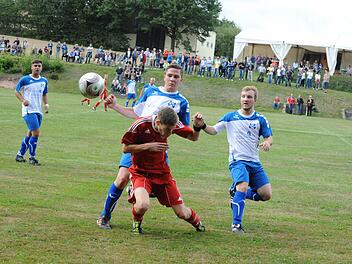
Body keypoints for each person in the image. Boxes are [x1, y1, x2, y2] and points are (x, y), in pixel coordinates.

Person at [97, 63, 192, 229]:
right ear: (164, 76)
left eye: (176, 76)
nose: (172, 79)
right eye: (169, 75)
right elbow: (136, 112)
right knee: (121, 179)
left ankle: (136, 190)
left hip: (158, 150)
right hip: (138, 144)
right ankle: (105, 216)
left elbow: (184, 129)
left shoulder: (182, 102)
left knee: (158, 187)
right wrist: (114, 106)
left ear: (181, 79)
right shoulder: (150, 91)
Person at [193, 86, 272, 234]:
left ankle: (234, 193)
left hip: (254, 162)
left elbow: (269, 136)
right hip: (237, 161)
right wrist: (202, 125)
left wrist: (267, 142)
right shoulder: (230, 117)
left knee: (266, 194)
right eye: (243, 96)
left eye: (249, 97)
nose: (245, 99)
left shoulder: (260, 119)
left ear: (255, 100)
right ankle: (236, 225)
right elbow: (213, 130)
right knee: (242, 186)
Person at [122, 107, 205, 233]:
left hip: (162, 174)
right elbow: (125, 148)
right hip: (141, 173)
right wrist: (148, 146)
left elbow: (193, 137)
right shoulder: (140, 124)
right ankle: (137, 221)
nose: (170, 133)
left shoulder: (173, 124)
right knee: (143, 205)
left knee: (182, 213)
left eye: (172, 130)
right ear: (158, 123)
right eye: (167, 130)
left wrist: (197, 127)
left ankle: (198, 223)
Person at [15, 59, 49, 166]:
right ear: (31, 67)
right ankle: (32, 157)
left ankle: (19, 155)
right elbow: (16, 91)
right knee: (36, 133)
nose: (37, 67)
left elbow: (44, 94)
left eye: (39, 66)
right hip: (28, 111)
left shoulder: (44, 80)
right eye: (35, 66)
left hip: (38, 111)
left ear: (41, 67)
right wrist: (23, 100)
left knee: (30, 133)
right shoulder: (25, 79)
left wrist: (46, 104)